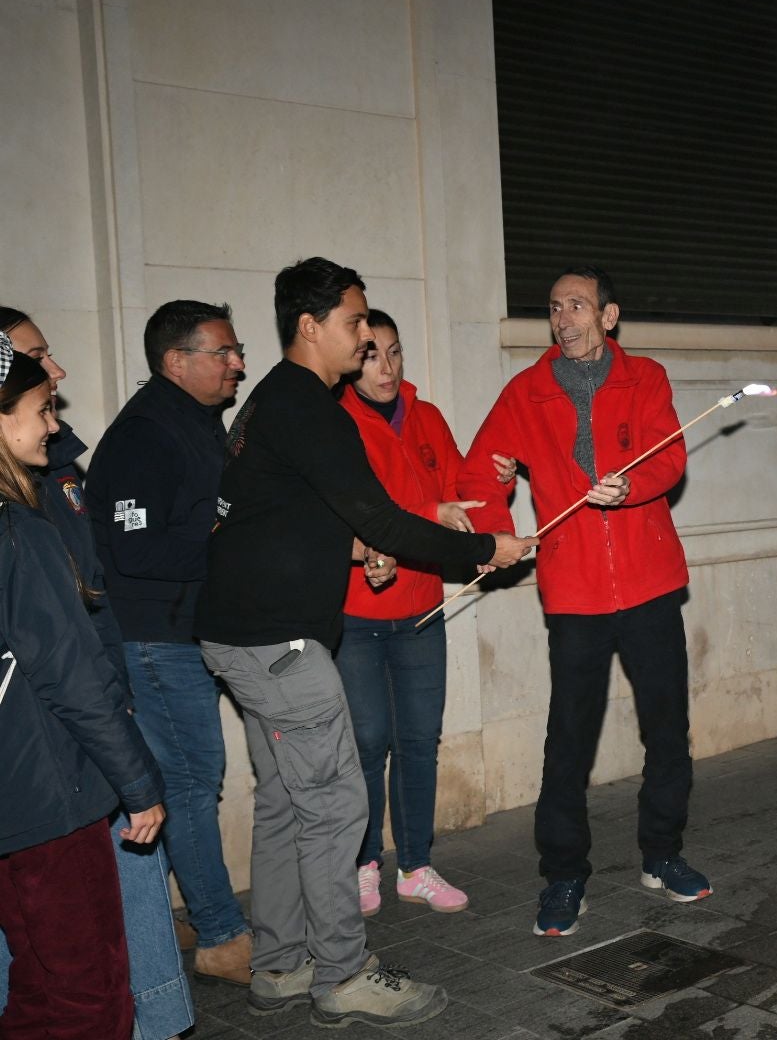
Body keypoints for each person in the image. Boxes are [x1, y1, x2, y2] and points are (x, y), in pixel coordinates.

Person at [194, 257, 536, 1029]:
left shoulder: (273, 402)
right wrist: (484, 547)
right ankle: (343, 973)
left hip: (241, 632)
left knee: (285, 802)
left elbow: (278, 516)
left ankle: (281, 964)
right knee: (337, 803)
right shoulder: (308, 405)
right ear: (310, 326)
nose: (364, 336)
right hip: (278, 643)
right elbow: (377, 513)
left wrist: (350, 552)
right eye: (354, 322)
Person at [458, 265, 710, 939]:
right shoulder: (527, 390)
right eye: (555, 307)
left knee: (667, 728)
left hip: (650, 582)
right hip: (574, 591)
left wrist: (631, 487)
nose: (564, 317)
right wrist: (496, 525)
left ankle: (663, 854)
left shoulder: (646, 378)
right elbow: (479, 467)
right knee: (568, 740)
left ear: (608, 315)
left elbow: (670, 458)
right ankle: (564, 876)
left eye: (577, 305)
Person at [0, 307, 195, 1038]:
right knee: (90, 995)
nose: (52, 425)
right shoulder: (20, 530)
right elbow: (70, 672)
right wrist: (138, 782)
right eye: (38, 409)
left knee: (36, 989)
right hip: (52, 795)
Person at [85, 300, 255, 987]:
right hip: (155, 637)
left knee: (170, 786)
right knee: (188, 784)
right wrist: (222, 539)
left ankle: (166, 913)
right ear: (176, 361)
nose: (238, 363)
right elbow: (133, 549)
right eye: (223, 352)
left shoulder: (194, 424)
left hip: (184, 631)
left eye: (236, 350)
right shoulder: (144, 437)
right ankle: (219, 934)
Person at [334, 309, 515, 917]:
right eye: (370, 355)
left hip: (419, 604)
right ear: (348, 357)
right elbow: (355, 510)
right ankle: (363, 864)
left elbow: (463, 489)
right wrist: (416, 521)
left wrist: (501, 483)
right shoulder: (335, 420)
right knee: (366, 740)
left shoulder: (427, 416)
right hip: (355, 609)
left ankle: (415, 864)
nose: (385, 368)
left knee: (418, 739)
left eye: (394, 352)